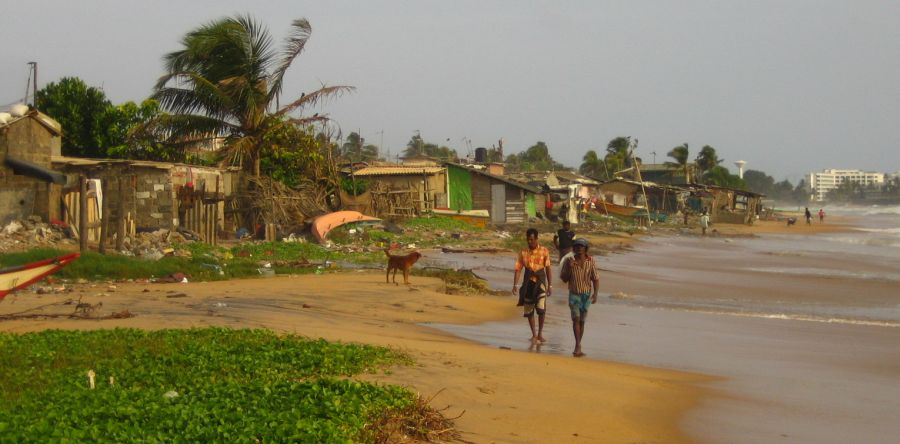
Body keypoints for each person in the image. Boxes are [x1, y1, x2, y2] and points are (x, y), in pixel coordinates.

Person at [560, 238, 599, 357]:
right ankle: (577, 346)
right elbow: (564, 278)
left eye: (581, 246)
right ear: (574, 248)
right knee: (575, 319)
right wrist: (570, 268)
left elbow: (595, 278)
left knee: (582, 321)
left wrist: (595, 294)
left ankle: (578, 344)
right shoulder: (569, 261)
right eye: (576, 246)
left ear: (585, 248)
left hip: (586, 295)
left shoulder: (591, 261)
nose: (579, 248)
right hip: (574, 294)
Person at [513, 228, 552, 344]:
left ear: (536, 239)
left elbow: (548, 268)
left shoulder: (544, 251)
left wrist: (550, 286)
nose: (530, 242)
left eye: (532, 239)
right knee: (529, 309)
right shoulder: (523, 252)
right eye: (528, 240)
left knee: (541, 309)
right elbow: (518, 269)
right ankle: (534, 335)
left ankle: (540, 334)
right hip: (528, 283)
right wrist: (515, 284)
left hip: (540, 282)